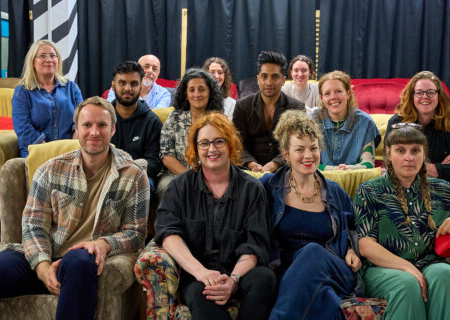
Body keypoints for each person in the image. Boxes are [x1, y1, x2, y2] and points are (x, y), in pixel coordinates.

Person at [0, 97, 150, 320]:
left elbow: (136, 233)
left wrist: (104, 244)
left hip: (82, 260)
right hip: (43, 254)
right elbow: (33, 226)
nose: (94, 132)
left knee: (79, 260)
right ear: (76, 129)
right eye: (87, 125)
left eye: (102, 125)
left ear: (113, 129)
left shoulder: (133, 175)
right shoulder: (51, 169)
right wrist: (43, 267)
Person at [353, 125, 450, 319]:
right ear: (388, 154)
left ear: (424, 154)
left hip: (431, 263)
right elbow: (366, 246)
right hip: (384, 268)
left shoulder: (441, 189)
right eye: (401, 150)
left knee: (446, 275)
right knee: (407, 284)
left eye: (416, 150)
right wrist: (409, 269)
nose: (409, 157)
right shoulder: (369, 191)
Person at [154, 112, 276, 320]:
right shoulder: (179, 187)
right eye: (204, 143)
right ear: (196, 148)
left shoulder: (252, 189)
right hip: (196, 273)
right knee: (202, 296)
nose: (211, 149)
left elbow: (255, 244)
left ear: (230, 144)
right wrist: (202, 273)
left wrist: (234, 279)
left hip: (239, 270)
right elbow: (168, 234)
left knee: (265, 278)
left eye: (219, 141)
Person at [259, 110, 361, 320]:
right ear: (286, 154)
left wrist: (351, 249)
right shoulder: (269, 187)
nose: (308, 156)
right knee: (324, 299)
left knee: (312, 251)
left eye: (313, 148)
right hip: (288, 272)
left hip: (335, 269)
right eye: (300, 149)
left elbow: (355, 226)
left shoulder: (334, 191)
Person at [386, 70, 450, 193]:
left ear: (439, 95)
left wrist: (426, 168)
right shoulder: (397, 123)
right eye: (419, 93)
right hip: (404, 181)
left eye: (431, 92)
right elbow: (390, 162)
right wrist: (439, 167)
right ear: (412, 96)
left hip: (444, 182)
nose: (425, 97)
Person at [233, 51, 305, 173]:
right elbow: (237, 145)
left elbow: (298, 145)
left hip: (285, 169)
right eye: (264, 76)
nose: (269, 82)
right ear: (257, 79)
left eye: (275, 77)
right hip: (247, 170)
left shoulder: (296, 107)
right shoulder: (242, 106)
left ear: (283, 80)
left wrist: (275, 164)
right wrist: (252, 165)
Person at [157, 68, 224, 197]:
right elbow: (166, 156)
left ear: (210, 92)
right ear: (185, 95)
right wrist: (192, 177)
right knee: (168, 187)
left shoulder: (219, 120)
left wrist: (205, 178)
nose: (196, 94)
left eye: (202, 89)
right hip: (174, 175)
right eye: (191, 90)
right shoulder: (175, 118)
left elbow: (225, 154)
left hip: (212, 175)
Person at [12, 40, 83, 157]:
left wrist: (72, 146)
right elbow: (23, 128)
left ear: (58, 60)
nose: (49, 59)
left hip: (71, 152)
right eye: (42, 56)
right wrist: (49, 152)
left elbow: (82, 119)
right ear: (33, 62)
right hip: (37, 153)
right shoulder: (22, 92)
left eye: (52, 55)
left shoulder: (72, 87)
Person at [110, 61, 162, 193]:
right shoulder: (102, 118)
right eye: (122, 83)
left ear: (140, 87)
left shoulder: (152, 122)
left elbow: (154, 163)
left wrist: (127, 170)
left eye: (133, 84)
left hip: (140, 176)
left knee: (141, 186)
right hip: (107, 173)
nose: (128, 88)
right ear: (113, 86)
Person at [312, 71, 381, 170]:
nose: (333, 97)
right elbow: (308, 162)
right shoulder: (313, 120)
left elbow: (368, 163)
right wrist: (333, 171)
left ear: (348, 94)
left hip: (354, 179)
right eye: (327, 93)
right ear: (322, 98)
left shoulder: (365, 121)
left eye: (338, 91)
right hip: (320, 180)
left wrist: (348, 169)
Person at [106, 54, 171, 109]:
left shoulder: (164, 94)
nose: (150, 71)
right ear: (138, 69)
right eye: (146, 67)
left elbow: (158, 116)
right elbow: (110, 109)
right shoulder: (119, 87)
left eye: (154, 69)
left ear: (158, 73)